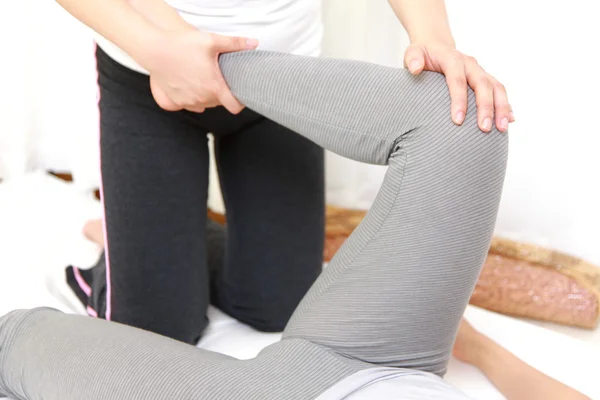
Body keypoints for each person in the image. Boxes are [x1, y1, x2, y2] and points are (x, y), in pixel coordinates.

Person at [0, 47, 575, 400]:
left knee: (22, 339)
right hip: (397, 359)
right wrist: (479, 349)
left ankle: (139, 246)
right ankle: (195, 70)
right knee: (463, 115)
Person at [51, 0, 514, 345]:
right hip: (148, 71)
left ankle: (149, 238)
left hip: (282, 73)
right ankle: (123, 256)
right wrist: (157, 45)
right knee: (161, 335)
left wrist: (432, 37)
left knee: (278, 308)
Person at [70, 218, 591, 400]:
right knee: (275, 293)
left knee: (158, 325)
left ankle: (118, 251)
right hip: (375, 360)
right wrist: (476, 347)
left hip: (308, 377)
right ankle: (148, 233)